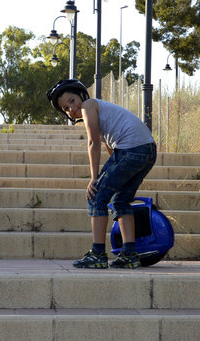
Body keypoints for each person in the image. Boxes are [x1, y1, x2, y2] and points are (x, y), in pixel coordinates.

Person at [46, 79, 157, 269]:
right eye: (66, 108)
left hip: (131, 149)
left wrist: (94, 179)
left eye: (72, 101)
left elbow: (93, 143)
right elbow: (111, 152)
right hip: (147, 150)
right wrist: (114, 177)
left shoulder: (89, 105)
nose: (71, 108)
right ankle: (130, 254)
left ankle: (97, 253)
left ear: (82, 95)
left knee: (95, 195)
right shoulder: (100, 112)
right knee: (120, 200)